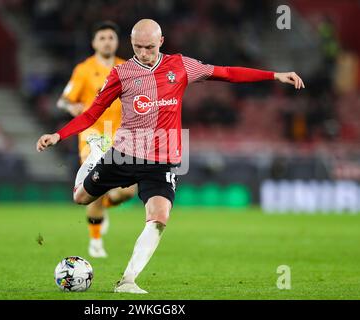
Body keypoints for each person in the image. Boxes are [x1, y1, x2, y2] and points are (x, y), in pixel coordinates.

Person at [37, 19, 305, 294]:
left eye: (150, 47)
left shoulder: (181, 65)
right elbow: (93, 112)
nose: (143, 53)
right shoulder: (121, 73)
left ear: (161, 41)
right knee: (81, 198)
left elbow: (226, 73)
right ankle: (95, 158)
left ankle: (128, 280)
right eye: (138, 47)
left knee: (159, 217)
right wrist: (59, 135)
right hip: (124, 154)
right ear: (131, 44)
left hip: (163, 160)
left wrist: (274, 75)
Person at [56, 21, 137, 258]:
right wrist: (72, 108)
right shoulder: (83, 69)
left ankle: (105, 208)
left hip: (123, 136)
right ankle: (95, 240)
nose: (107, 41)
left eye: (110, 37)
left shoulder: (127, 68)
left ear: (117, 41)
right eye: (102, 38)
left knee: (127, 192)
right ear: (94, 43)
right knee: (97, 187)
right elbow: (63, 100)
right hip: (93, 136)